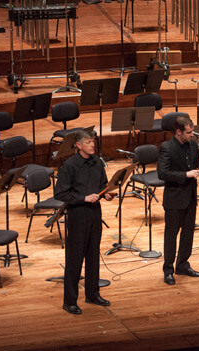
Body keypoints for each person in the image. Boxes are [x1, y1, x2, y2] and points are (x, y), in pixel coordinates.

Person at [55, 129, 115, 315]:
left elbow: (102, 185)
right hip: (78, 214)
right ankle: (70, 301)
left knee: (93, 255)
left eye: (93, 141)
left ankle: (92, 294)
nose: (92, 144)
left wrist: (107, 194)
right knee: (74, 259)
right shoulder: (70, 165)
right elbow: (61, 193)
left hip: (95, 213)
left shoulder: (97, 162)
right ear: (79, 145)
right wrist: (84, 198)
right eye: (88, 142)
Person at [157, 116, 199, 285]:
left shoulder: (193, 145)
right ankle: (168, 269)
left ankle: (182, 264)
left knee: (188, 234)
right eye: (188, 132)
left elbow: (195, 166)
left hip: (190, 197)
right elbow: (162, 173)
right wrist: (185, 175)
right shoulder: (167, 147)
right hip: (174, 199)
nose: (192, 135)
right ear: (179, 132)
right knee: (171, 236)